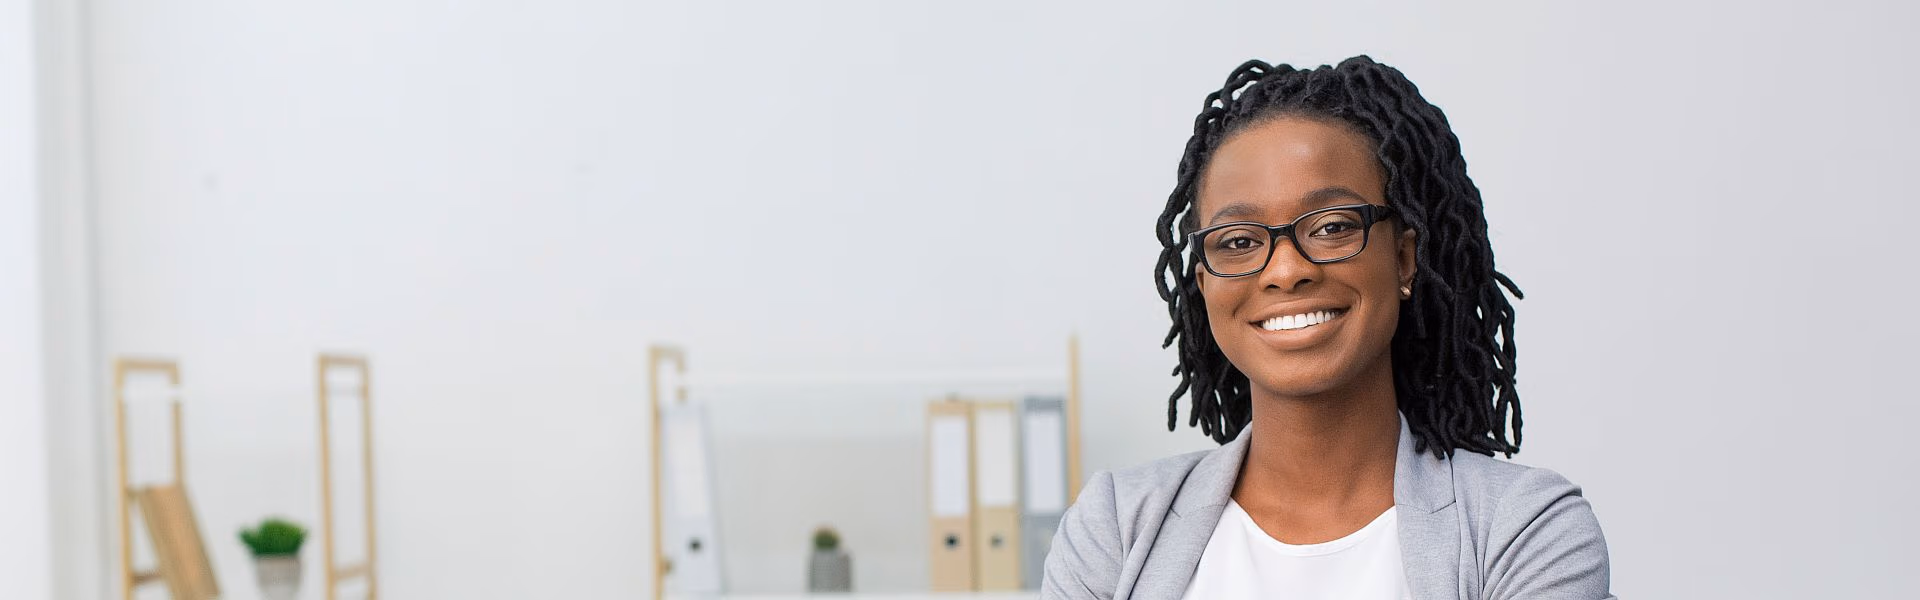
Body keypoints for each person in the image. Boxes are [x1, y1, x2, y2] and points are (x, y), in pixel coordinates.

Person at [1041, 56, 1613, 600]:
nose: (1285, 270)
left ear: (1404, 259)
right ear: (1204, 283)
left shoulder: (1526, 529)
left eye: (1333, 227)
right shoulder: (1115, 527)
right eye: (1238, 241)